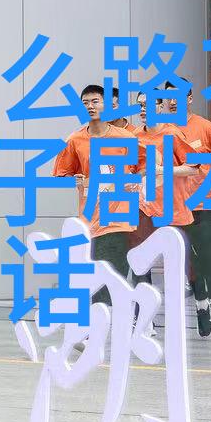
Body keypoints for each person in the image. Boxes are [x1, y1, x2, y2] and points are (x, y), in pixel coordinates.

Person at [53, 84, 144, 308]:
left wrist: (135, 180)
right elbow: (61, 174)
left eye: (95, 101)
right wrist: (74, 180)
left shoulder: (125, 137)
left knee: (112, 274)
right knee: (97, 276)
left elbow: (146, 165)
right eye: (85, 103)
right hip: (90, 218)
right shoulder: (75, 140)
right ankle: (105, 319)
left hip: (119, 217)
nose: (90, 106)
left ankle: (103, 320)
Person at [131, 95, 210, 336]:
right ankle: (145, 318)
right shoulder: (134, 137)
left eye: (148, 104)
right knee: (139, 260)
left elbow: (193, 168)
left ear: (160, 106)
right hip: (144, 207)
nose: (143, 109)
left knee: (188, 264)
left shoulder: (172, 134)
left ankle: (202, 303)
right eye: (140, 105)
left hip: (174, 209)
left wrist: (162, 170)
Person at [155, 88, 211, 332]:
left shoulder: (205, 127)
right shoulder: (163, 130)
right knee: (181, 249)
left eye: (178, 97)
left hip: (203, 200)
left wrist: (206, 174)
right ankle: (190, 285)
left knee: (207, 249)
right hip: (175, 202)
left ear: (189, 98)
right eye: (168, 98)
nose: (173, 102)